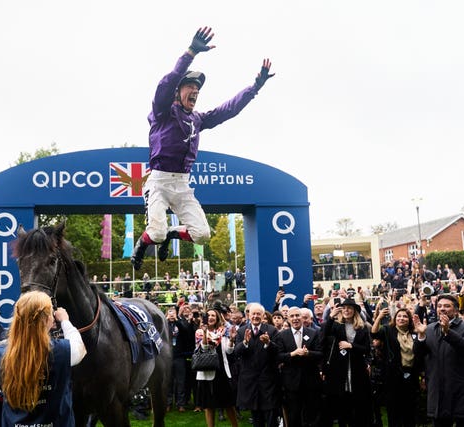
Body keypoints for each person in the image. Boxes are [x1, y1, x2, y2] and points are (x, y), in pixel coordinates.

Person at [131, 26, 274, 269]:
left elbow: (229, 110)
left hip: (183, 184)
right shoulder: (162, 112)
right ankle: (143, 244)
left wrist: (255, 87)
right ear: (178, 92)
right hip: (159, 182)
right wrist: (190, 52)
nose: (195, 90)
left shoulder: (197, 118)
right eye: (190, 87)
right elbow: (165, 85)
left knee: (203, 234)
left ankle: (172, 233)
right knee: (155, 233)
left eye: (198, 89)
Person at [0, 291, 86, 427]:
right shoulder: (60, 351)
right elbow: (80, 349)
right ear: (47, 319)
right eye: (51, 314)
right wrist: (65, 320)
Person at [414, 294, 464, 427]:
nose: (442, 309)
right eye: (439, 306)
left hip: (461, 391)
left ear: (456, 310)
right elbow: (419, 355)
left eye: (447, 306)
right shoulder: (429, 328)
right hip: (438, 391)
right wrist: (421, 336)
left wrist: (447, 332)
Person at [322, 298, 372, 427]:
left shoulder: (362, 327)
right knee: (341, 402)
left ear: (354, 310)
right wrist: (331, 317)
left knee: (357, 403)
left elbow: (366, 348)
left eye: (349, 308)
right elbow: (323, 335)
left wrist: (351, 345)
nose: (346, 310)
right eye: (344, 308)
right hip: (339, 369)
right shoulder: (336, 325)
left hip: (357, 369)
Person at [371, 304, 423, 427]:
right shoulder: (388, 330)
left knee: (410, 408)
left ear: (409, 320)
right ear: (395, 319)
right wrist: (378, 317)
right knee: (394, 409)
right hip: (393, 375)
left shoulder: (414, 333)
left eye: (405, 316)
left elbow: (421, 353)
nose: (401, 318)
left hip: (411, 375)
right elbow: (374, 333)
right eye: (399, 316)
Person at [234, 302, 281, 427]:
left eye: (258, 314)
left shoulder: (271, 330)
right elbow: (236, 353)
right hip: (250, 382)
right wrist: (245, 342)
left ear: (263, 315)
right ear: (249, 315)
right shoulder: (242, 331)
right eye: (253, 313)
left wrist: (268, 343)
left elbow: (278, 352)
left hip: (268, 381)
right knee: (256, 416)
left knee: (271, 415)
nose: (255, 316)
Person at [276, 306, 323, 427]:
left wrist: (309, 353)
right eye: (292, 316)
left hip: (311, 381)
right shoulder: (282, 335)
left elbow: (321, 354)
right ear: (287, 318)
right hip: (291, 382)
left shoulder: (313, 333)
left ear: (302, 317)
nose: (295, 318)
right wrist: (293, 354)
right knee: (294, 414)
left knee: (311, 414)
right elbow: (278, 356)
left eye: (297, 315)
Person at [195, 308, 239, 427]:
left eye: (213, 315)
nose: (210, 317)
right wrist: (205, 333)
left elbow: (229, 351)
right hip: (207, 373)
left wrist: (231, 339)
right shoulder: (199, 332)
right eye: (208, 315)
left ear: (217, 317)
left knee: (229, 404)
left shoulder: (223, 331)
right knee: (209, 406)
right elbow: (204, 348)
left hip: (223, 372)